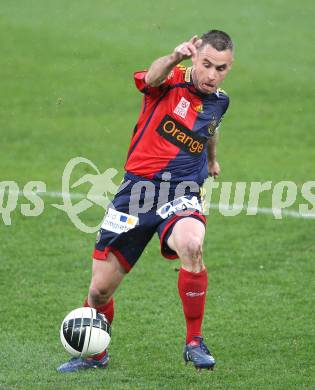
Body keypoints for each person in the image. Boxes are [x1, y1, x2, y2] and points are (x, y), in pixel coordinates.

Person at [58, 29, 234, 372]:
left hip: (181, 192)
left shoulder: (220, 100)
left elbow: (211, 126)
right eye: (207, 65)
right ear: (195, 56)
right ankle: (96, 355)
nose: (213, 75)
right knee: (99, 292)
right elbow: (150, 77)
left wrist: (211, 159)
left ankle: (194, 342)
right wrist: (174, 57)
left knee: (191, 243)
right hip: (136, 194)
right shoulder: (169, 81)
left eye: (222, 68)